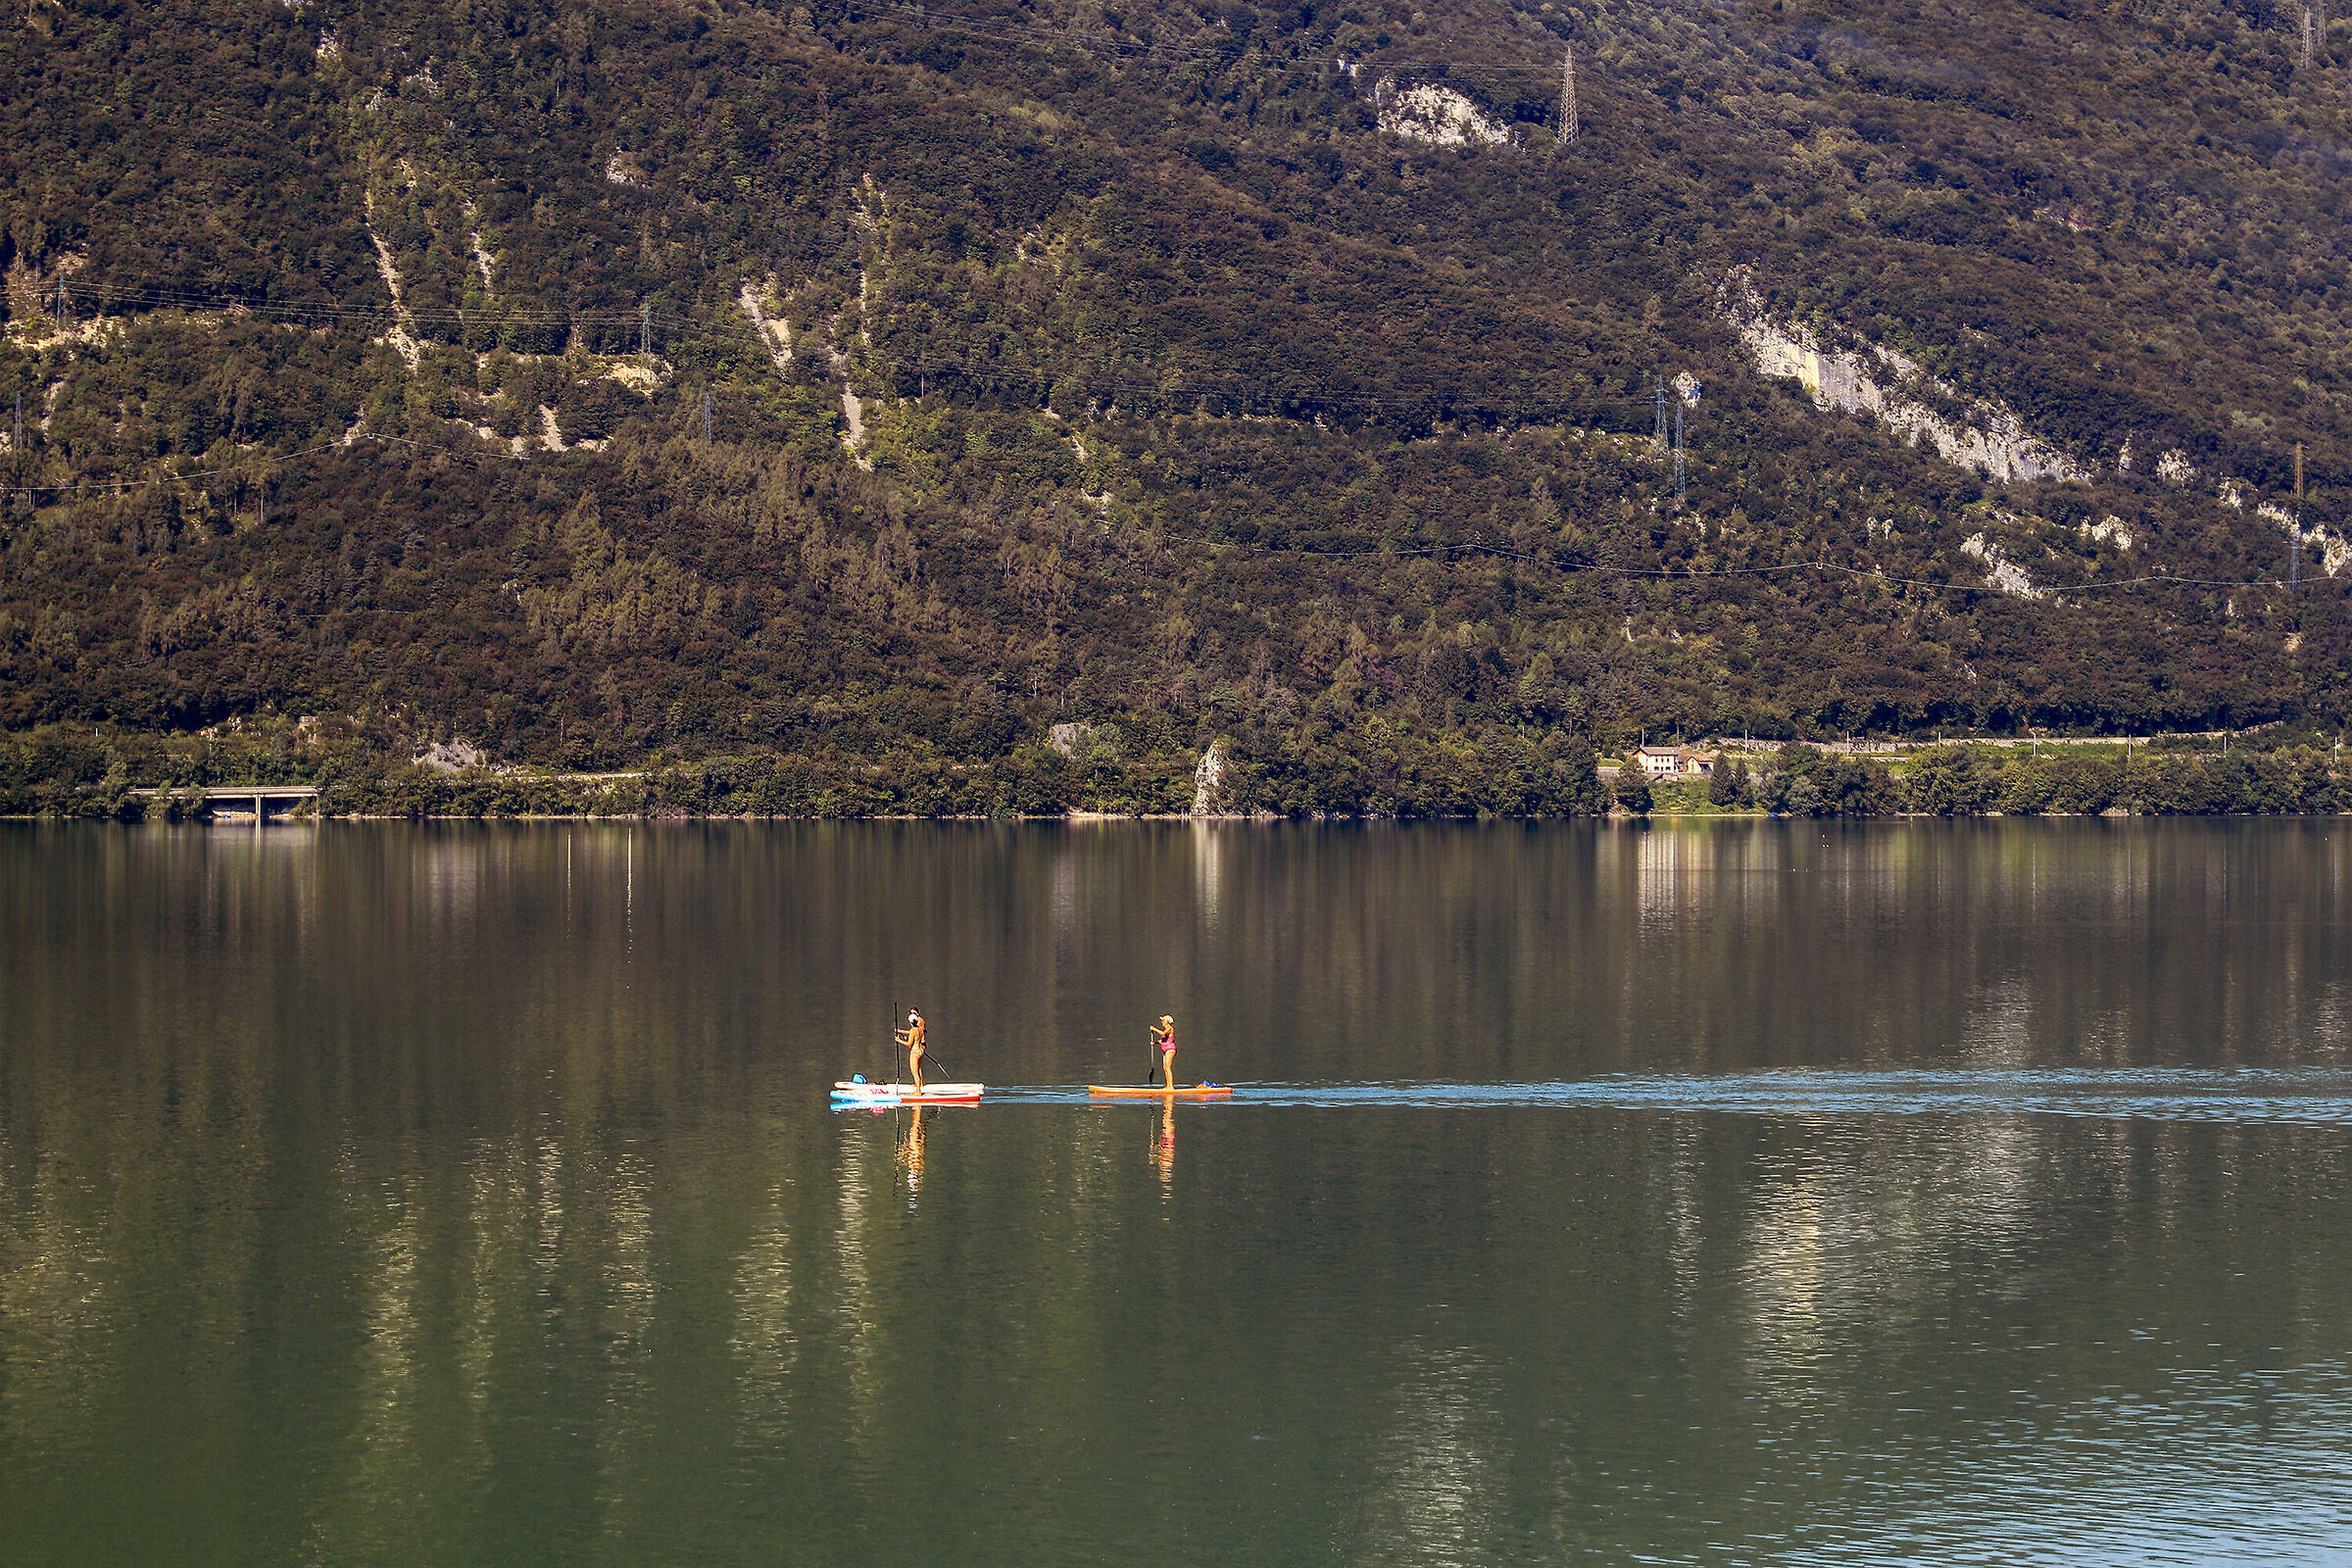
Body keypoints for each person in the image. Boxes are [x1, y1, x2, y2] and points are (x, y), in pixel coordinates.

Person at [895, 1008, 928, 1092]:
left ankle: (918, 1090)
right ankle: (919, 1085)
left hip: (915, 1052)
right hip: (920, 1051)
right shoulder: (920, 1029)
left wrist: (899, 1040)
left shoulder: (913, 1031)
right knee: (918, 1069)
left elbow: (909, 1043)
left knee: (914, 1071)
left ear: (910, 1021)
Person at [1150, 1014, 1176, 1088]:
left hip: (1170, 1049)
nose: (1162, 1022)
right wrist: (1155, 1043)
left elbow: (1163, 1033)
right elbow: (1163, 1041)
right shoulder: (1166, 1029)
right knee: (1165, 1067)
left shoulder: (1169, 1028)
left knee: (1168, 1067)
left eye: (1163, 1021)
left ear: (1167, 1022)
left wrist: (1154, 1029)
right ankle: (1168, 1085)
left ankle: (1171, 1086)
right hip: (1165, 1050)